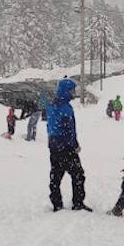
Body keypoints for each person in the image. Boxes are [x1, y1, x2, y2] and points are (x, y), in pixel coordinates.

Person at [46, 78, 90, 212]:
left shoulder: (52, 105)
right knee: (78, 174)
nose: (73, 93)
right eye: (72, 90)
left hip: (53, 144)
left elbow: (50, 125)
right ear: (66, 91)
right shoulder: (66, 108)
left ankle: (56, 203)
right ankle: (78, 202)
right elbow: (69, 130)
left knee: (56, 175)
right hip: (66, 146)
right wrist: (75, 145)